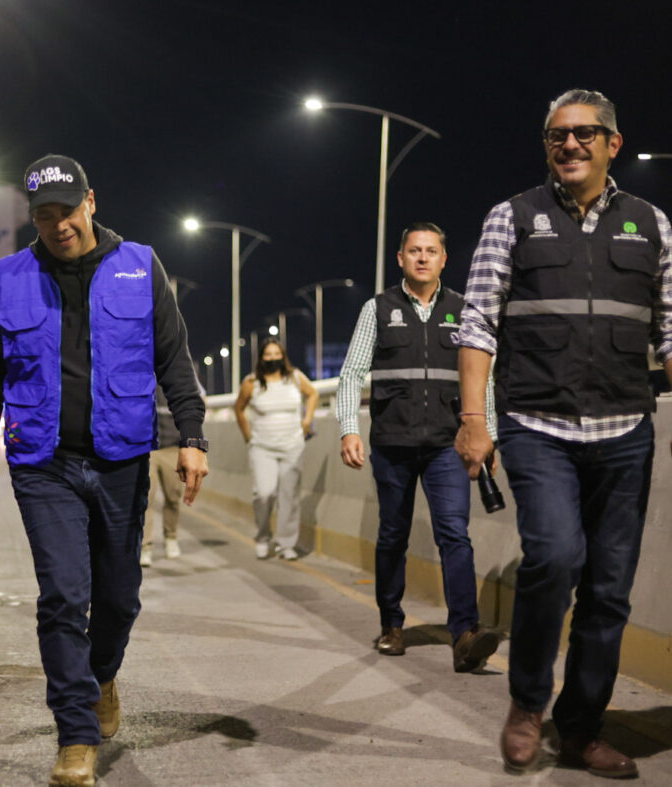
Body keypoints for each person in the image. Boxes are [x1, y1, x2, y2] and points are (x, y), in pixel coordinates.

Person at [0, 154, 208, 787]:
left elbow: (175, 360)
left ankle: (102, 676)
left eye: (67, 211)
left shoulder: (140, 266)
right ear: (32, 218)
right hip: (43, 464)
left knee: (119, 598)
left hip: (121, 458)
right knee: (64, 595)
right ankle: (75, 735)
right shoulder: (9, 277)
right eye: (44, 215)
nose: (58, 225)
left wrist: (192, 438)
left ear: (90, 202)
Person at [455, 89, 672, 779]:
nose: (569, 144)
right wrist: (473, 419)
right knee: (553, 556)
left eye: (584, 133)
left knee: (610, 589)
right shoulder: (512, 217)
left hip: (625, 428)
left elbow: (670, 328)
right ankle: (528, 701)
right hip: (537, 424)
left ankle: (580, 728)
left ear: (612, 142)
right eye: (557, 135)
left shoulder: (653, 224)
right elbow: (478, 322)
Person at [337, 222, 502, 671]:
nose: (423, 257)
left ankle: (465, 634)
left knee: (455, 534)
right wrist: (349, 428)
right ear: (401, 258)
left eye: (431, 251)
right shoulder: (377, 309)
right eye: (415, 251)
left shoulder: (464, 310)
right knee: (393, 534)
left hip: (448, 444)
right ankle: (392, 625)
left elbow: (482, 380)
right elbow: (352, 374)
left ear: (444, 259)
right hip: (393, 443)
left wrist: (487, 435)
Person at [233, 339, 318, 560]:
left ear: (283, 356)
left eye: (276, 353)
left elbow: (313, 394)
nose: (273, 358)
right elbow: (239, 409)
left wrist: (307, 419)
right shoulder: (251, 382)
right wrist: (248, 437)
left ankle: (286, 544)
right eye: (268, 354)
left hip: (293, 446)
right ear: (261, 358)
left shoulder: (295, 378)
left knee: (289, 495)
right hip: (262, 447)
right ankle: (263, 537)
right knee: (264, 493)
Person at [140, 386, 196, 567]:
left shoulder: (177, 377)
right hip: (147, 446)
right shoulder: (142, 374)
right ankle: (145, 546)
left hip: (172, 447)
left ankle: (171, 537)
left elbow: (197, 400)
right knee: (146, 498)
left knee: (173, 496)